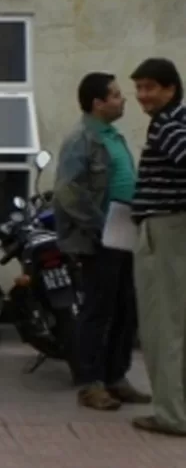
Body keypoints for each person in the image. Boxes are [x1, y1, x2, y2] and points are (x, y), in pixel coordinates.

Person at [53, 72, 151, 411]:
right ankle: (90, 383)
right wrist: (100, 224)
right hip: (99, 239)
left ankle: (116, 376)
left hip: (124, 235)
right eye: (115, 95)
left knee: (125, 308)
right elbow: (68, 190)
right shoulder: (81, 138)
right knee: (97, 311)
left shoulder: (114, 136)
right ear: (97, 103)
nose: (123, 100)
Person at [127, 58, 186, 436]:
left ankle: (170, 415)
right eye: (139, 88)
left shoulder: (169, 124)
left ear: (170, 88)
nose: (142, 96)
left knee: (161, 325)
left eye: (150, 88)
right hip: (173, 226)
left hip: (164, 228)